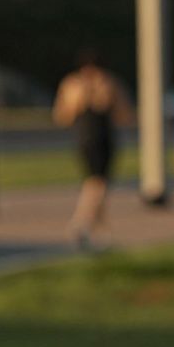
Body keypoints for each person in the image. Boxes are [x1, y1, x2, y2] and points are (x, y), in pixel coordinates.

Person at [52, 48, 133, 250]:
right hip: (99, 138)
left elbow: (62, 116)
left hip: (84, 138)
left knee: (95, 183)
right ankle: (80, 224)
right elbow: (124, 115)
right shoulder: (108, 83)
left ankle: (102, 233)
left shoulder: (72, 84)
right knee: (98, 183)